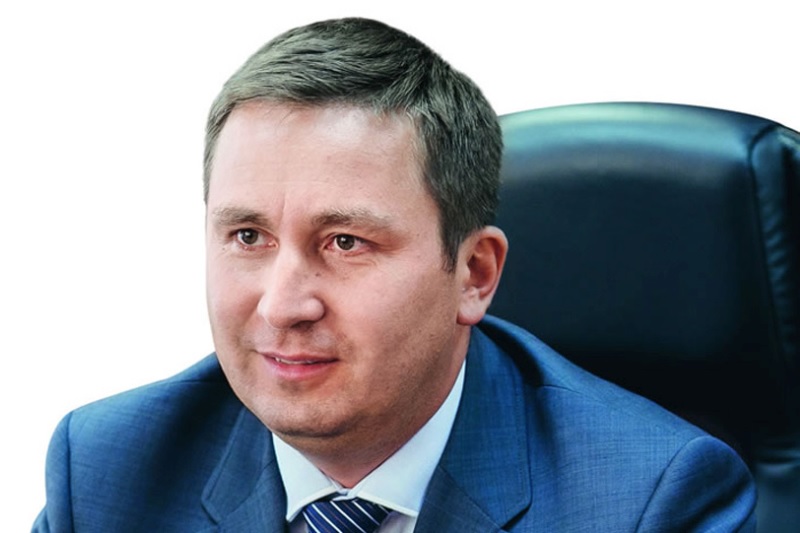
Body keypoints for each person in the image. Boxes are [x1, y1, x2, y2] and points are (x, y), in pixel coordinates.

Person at [33, 17, 756, 532]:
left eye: (345, 242)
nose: (282, 304)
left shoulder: (651, 500)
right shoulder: (106, 471)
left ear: (473, 274)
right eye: (248, 236)